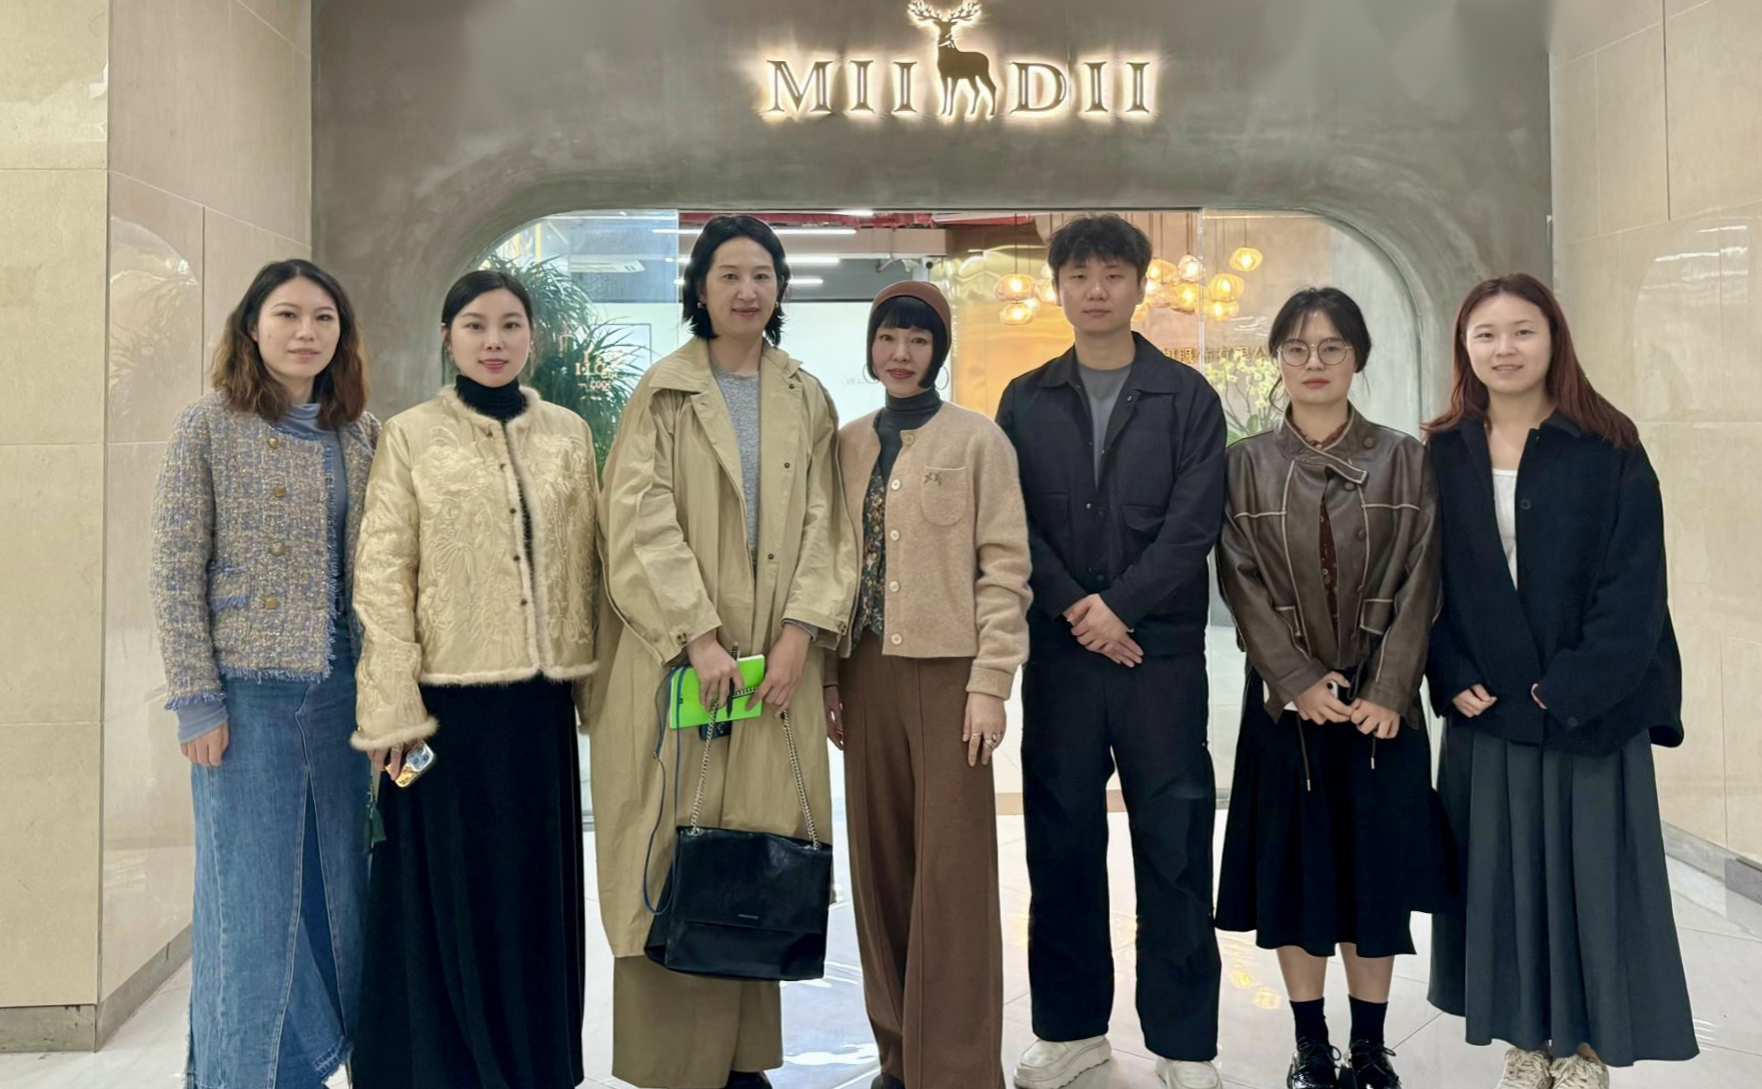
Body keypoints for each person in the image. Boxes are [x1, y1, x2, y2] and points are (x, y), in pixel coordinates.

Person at [588, 214, 858, 1089]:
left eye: (762, 275)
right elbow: (636, 519)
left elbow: (829, 523)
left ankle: (741, 1063)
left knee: (753, 850)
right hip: (677, 661)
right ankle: (674, 1065)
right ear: (699, 289)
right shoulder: (664, 392)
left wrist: (799, 633)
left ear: (781, 289)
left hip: (776, 666)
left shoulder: (805, 395)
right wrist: (697, 636)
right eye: (729, 274)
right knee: (670, 847)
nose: (747, 290)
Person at [1425, 273, 1696, 1089]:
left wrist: (1573, 686)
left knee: (1591, 882)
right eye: (1486, 334)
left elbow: (1636, 586)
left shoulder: (1608, 445)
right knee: (1503, 880)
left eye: (1523, 331)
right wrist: (1450, 667)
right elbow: (1421, 581)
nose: (1504, 349)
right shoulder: (1440, 450)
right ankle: (1525, 1037)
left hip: (1588, 710)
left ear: (1554, 340)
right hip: (1488, 708)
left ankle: (1587, 1050)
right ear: (1465, 348)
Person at [349, 269, 599, 1089]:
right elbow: (382, 572)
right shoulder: (411, 435)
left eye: (510, 324)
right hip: (441, 715)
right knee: (444, 893)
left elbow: (592, 563)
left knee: (531, 892)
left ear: (533, 337)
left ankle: (531, 1066)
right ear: (448, 337)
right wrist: (392, 707)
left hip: (539, 707)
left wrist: (605, 697)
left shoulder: (568, 434)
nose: (494, 341)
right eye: (476, 325)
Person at [995, 214, 1228, 1089]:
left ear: (1140, 285)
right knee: (1059, 841)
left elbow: (1194, 525)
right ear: (1057, 287)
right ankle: (1070, 1031)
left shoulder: (1187, 397)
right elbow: (1009, 519)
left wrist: (1118, 607)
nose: (1096, 290)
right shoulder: (1025, 398)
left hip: (1158, 659)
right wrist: (1076, 607)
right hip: (1062, 658)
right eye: (1080, 275)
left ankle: (1184, 1044)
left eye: (1113, 275)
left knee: (1175, 843)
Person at [1213, 288, 1452, 1089]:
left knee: (1373, 880)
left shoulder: (1405, 458)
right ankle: (1312, 1045)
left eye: (1331, 348)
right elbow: (1239, 578)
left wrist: (1389, 688)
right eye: (1297, 348)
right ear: (1277, 359)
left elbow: (1423, 576)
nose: (1313, 363)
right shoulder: (1244, 463)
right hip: (1287, 713)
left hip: (1382, 712)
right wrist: (1296, 679)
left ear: (1358, 357)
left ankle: (1371, 1045)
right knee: (1296, 880)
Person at [151, 259, 377, 1089]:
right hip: (246, 702)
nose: (305, 332)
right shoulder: (208, 425)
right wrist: (196, 701)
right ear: (252, 326)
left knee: (337, 891)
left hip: (344, 699)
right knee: (247, 904)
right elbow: (175, 568)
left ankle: (314, 1065)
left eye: (323, 317)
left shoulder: (361, 432)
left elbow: (376, 574)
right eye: (287, 314)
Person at [826, 281, 1032, 1089]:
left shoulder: (979, 440)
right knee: (878, 868)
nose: (901, 353)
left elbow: (1005, 567)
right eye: (888, 338)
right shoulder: (847, 444)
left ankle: (957, 1067)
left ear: (938, 352)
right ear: (871, 347)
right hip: (865, 671)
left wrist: (991, 683)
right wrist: (830, 679)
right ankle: (898, 1057)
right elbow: (830, 567)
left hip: (950, 677)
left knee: (952, 873)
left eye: (917, 340)